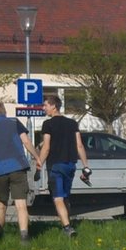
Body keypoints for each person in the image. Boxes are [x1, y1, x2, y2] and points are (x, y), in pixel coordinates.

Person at [0, 100, 37, 242]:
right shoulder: (14, 123)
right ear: (5, 112)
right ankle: (24, 237)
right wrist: (37, 157)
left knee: (1, 205)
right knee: (21, 204)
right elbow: (26, 141)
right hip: (18, 167)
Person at [36, 95, 89, 237]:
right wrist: (85, 166)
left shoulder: (48, 124)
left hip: (56, 165)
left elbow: (46, 147)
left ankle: (67, 228)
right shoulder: (72, 123)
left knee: (58, 198)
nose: (44, 108)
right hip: (70, 165)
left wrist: (39, 164)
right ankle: (68, 222)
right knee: (65, 197)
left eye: (45, 105)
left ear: (54, 106)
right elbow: (79, 145)